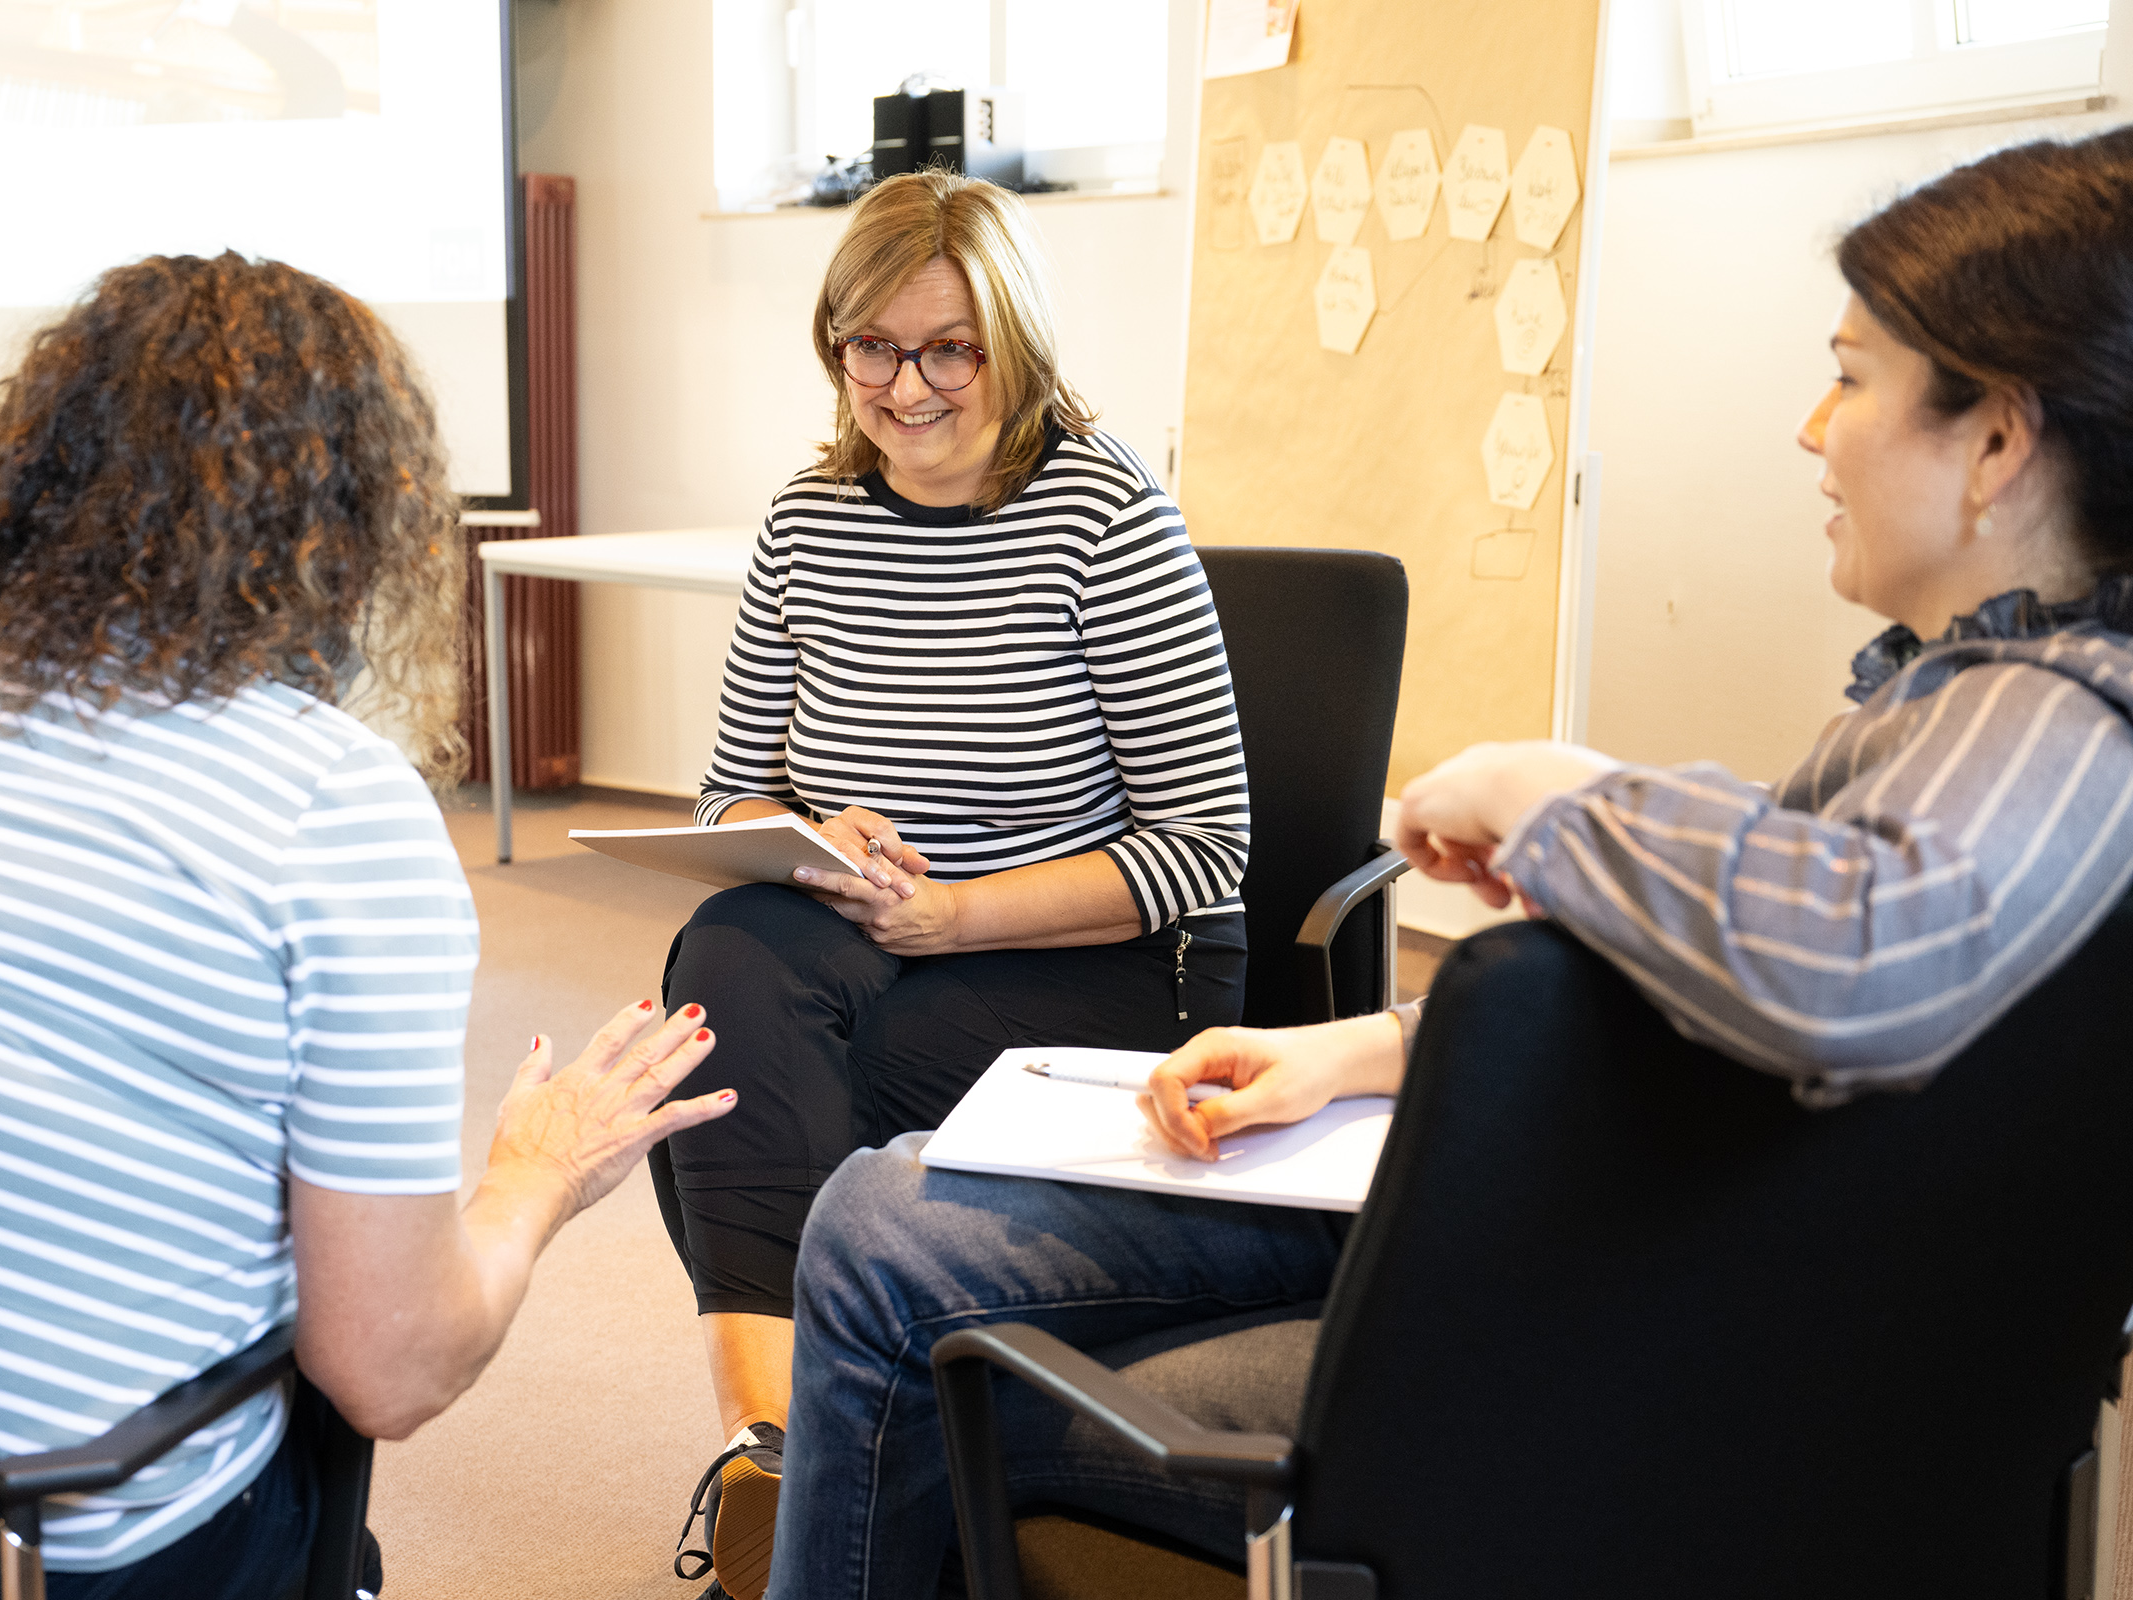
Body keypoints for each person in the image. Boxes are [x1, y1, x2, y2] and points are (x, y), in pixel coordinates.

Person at [767, 125, 2133, 1598]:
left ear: (1996, 441)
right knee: (877, 1205)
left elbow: (1859, 964)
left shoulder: (2059, 720)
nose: (1813, 427)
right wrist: (1371, 1050)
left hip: (1571, 1317)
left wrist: (1564, 793)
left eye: (1853, 376)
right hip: (1538, 1210)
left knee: (888, 1273)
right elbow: (1759, 972)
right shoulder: (1964, 707)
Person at [0, 252, 735, 1595]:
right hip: (60, 1539)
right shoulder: (327, 808)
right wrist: (535, 1174)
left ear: (17, 477)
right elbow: (393, 1366)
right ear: (351, 530)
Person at [651, 170, 1251, 1598]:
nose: (905, 389)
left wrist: (959, 911)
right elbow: (728, 785)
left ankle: (808, 1488)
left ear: (1013, 343)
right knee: (724, 957)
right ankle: (775, 1450)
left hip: (1094, 949)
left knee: (757, 1101)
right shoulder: (808, 517)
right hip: (877, 931)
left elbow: (1203, 854)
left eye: (947, 350)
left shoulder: (1109, 518)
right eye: (871, 348)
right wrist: (812, 831)